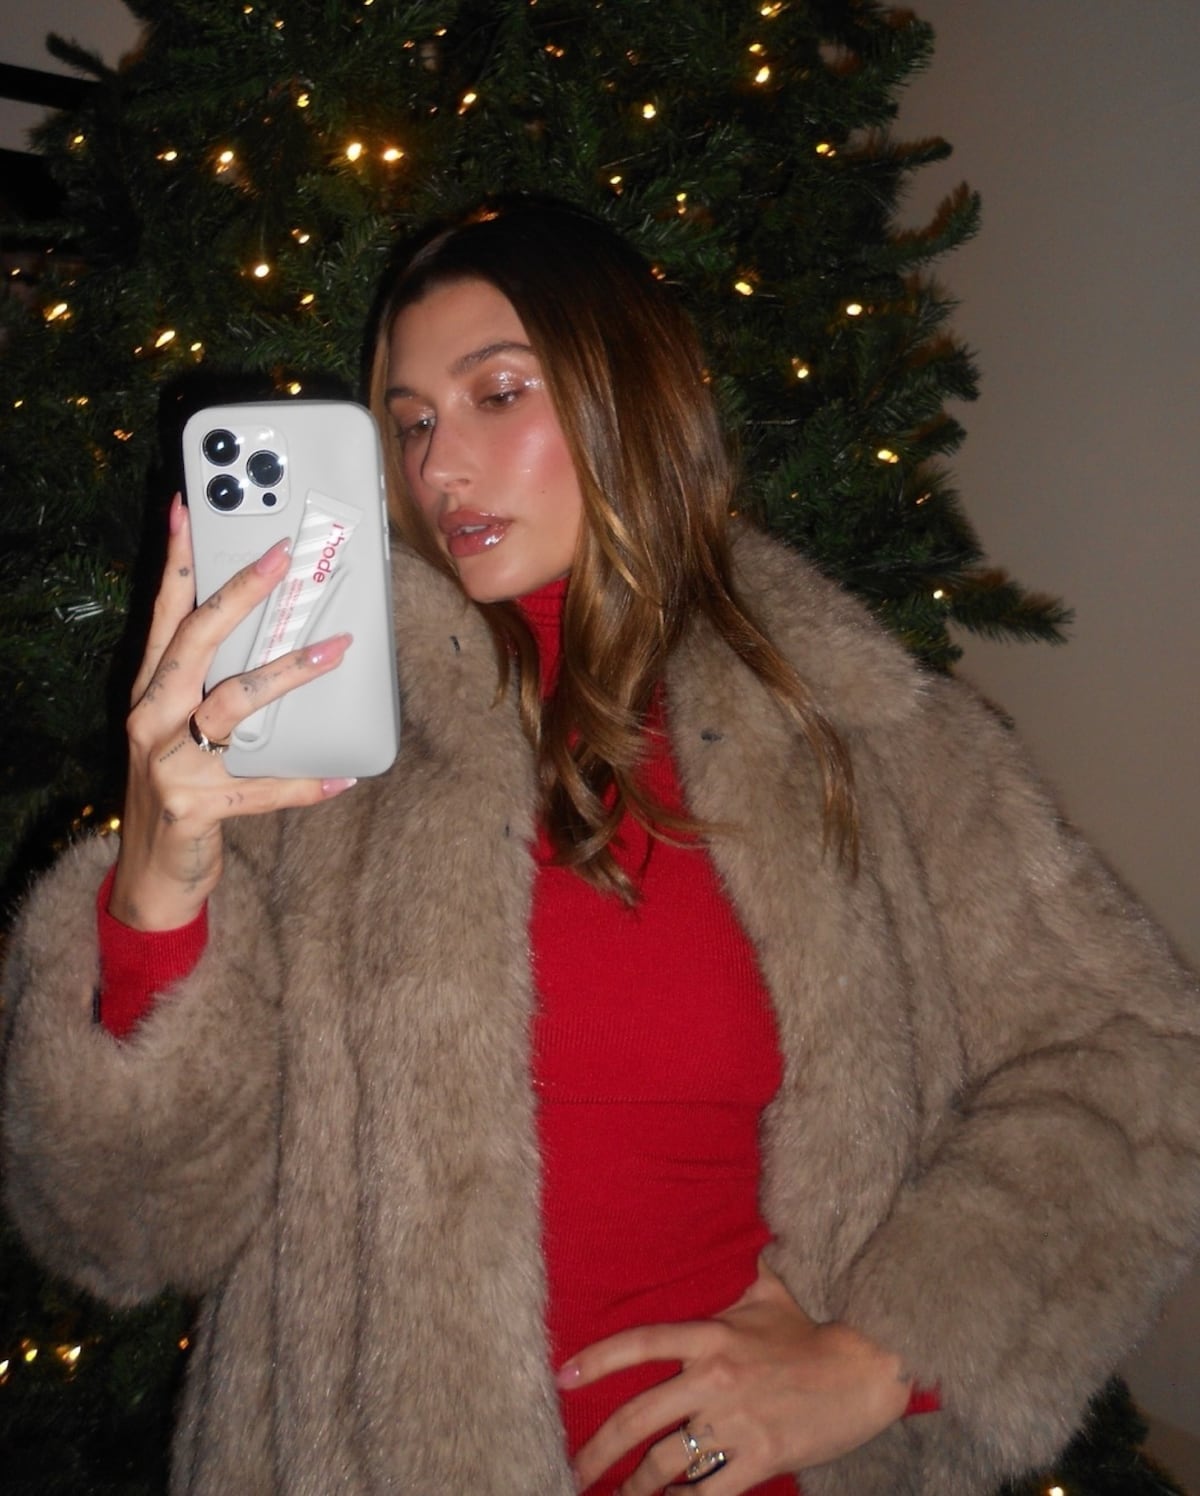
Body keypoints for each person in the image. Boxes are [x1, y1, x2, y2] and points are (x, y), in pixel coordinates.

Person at [3, 198, 1198, 1496]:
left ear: (628, 396)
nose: (439, 466)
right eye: (410, 422)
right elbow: (131, 1230)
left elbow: (1142, 1058)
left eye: (496, 393)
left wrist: (882, 1360)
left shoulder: (860, 733)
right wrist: (158, 878)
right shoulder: (321, 759)